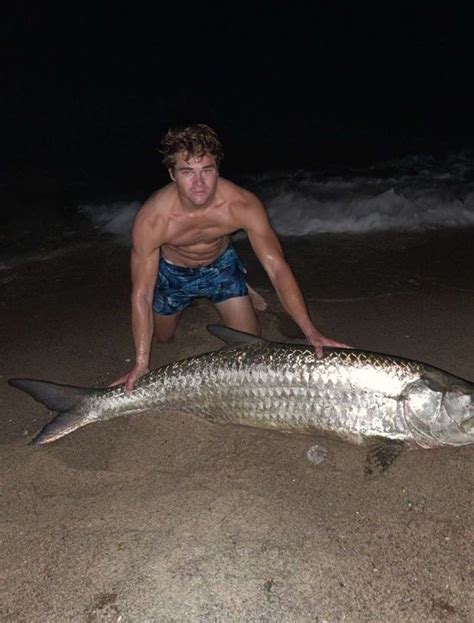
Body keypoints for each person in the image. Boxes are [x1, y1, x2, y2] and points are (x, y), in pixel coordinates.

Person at [117, 124, 348, 391]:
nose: (199, 183)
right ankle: (193, 299)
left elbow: (277, 269)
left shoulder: (241, 205)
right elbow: (142, 292)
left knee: (249, 344)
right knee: (164, 338)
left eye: (207, 170)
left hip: (220, 267)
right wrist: (141, 363)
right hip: (173, 274)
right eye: (187, 172)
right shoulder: (153, 219)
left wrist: (311, 332)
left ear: (218, 169)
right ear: (172, 174)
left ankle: (238, 287)